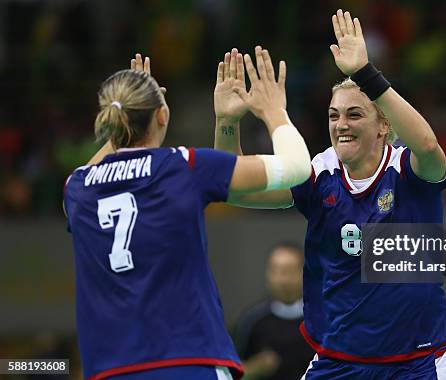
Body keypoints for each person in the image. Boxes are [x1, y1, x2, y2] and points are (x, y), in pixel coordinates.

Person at [215, 10, 446, 379]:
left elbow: (427, 143)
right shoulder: (318, 175)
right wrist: (228, 123)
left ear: (383, 126)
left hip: (417, 363)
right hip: (338, 362)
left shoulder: (409, 172)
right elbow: (234, 188)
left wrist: (365, 74)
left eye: (355, 114)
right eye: (333, 115)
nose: (341, 124)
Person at [63, 50, 311, 380]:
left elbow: (108, 164)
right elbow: (297, 167)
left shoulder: (77, 188)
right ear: (163, 115)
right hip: (189, 363)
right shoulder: (183, 166)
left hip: (110, 370)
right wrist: (274, 111)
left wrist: (223, 123)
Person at [234, 242, 313, 380]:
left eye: (289, 271)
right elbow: (233, 373)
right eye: (275, 271)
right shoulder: (253, 321)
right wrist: (255, 368)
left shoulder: (321, 320)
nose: (282, 280)